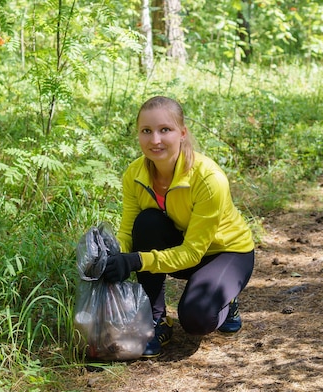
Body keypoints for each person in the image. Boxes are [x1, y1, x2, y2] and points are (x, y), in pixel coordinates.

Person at [101, 96, 255, 358]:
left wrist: (136, 261)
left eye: (165, 130)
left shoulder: (208, 178)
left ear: (182, 133)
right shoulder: (134, 174)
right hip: (183, 248)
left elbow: (194, 252)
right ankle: (156, 320)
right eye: (146, 131)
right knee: (146, 221)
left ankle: (226, 302)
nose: (155, 140)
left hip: (227, 253)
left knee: (196, 320)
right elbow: (129, 229)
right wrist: (114, 256)